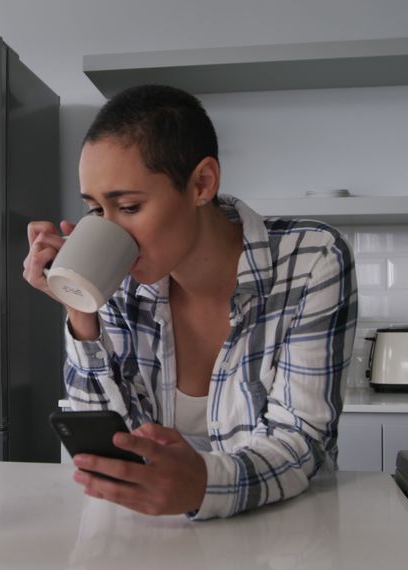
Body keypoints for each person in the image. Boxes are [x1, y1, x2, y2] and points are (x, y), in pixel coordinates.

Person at [22, 84, 357, 520]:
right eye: (96, 211)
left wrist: (204, 485)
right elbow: (109, 449)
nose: (112, 230)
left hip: (284, 529)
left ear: (202, 183)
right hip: (156, 536)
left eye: (128, 205)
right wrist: (80, 310)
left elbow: (300, 440)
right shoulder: (122, 279)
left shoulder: (311, 258)